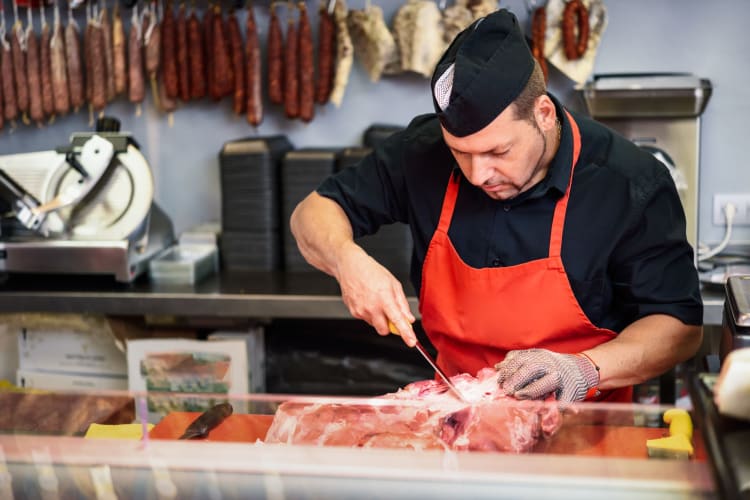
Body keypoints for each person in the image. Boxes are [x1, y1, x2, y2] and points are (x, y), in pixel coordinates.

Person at [290, 9, 703, 403]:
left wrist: (583, 370)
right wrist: (347, 261)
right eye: (460, 153)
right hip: (459, 422)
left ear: (543, 114)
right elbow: (313, 212)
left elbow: (679, 327)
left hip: (588, 433)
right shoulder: (423, 152)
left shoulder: (628, 182)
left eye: (497, 151)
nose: (477, 174)